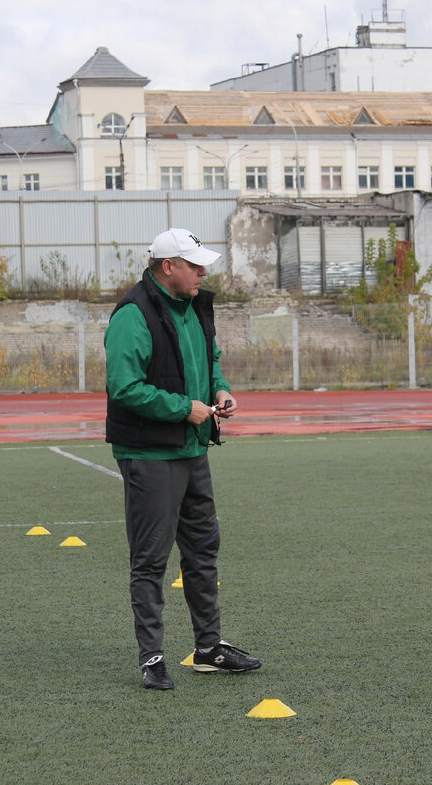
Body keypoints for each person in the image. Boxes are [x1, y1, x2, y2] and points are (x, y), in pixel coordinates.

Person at [104, 227, 261, 690]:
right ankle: (152, 657)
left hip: (192, 450)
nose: (203, 272)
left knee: (202, 551)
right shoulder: (132, 315)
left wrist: (219, 389)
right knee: (151, 560)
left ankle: (209, 648)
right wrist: (183, 408)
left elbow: (210, 356)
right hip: (150, 454)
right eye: (195, 265)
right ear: (167, 266)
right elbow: (125, 388)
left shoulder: (194, 305)